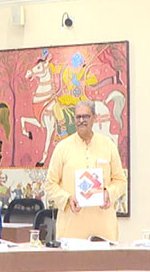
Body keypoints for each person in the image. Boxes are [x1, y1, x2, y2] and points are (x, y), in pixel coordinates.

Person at [44, 101, 127, 241]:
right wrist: (67, 199)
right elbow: (50, 184)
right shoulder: (62, 148)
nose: (81, 120)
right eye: (78, 117)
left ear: (94, 117)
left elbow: (121, 181)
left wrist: (109, 193)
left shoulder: (108, 145)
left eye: (86, 116)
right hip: (71, 231)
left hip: (104, 230)